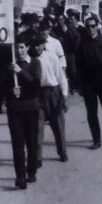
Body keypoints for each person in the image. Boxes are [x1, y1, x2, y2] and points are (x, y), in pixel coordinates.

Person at [0, 37, 42, 189]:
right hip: (15, 108)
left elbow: (36, 84)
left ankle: (31, 171)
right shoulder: (10, 66)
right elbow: (1, 87)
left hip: (30, 107)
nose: (19, 51)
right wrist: (10, 87)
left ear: (28, 47)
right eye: (17, 48)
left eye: (22, 47)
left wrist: (20, 72)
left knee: (31, 142)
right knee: (17, 144)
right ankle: (20, 176)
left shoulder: (35, 63)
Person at [75, 16, 102, 149]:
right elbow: (79, 65)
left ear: (97, 26)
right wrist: (79, 85)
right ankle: (96, 139)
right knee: (91, 112)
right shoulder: (82, 44)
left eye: (93, 26)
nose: (91, 28)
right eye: (88, 26)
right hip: (89, 81)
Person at [37, 25, 70, 164]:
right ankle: (37, 157)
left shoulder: (51, 57)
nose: (37, 47)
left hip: (53, 92)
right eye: (34, 45)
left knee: (58, 124)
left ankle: (62, 152)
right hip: (38, 95)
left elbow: (60, 76)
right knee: (37, 127)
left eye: (40, 44)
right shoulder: (32, 60)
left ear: (44, 44)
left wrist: (64, 95)